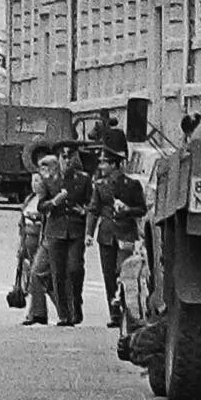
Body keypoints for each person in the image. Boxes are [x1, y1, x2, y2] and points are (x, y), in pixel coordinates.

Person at [88, 139, 148, 329]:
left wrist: (127, 211)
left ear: (115, 164)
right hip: (106, 235)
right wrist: (89, 233)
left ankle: (126, 311)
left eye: (105, 162)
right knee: (108, 275)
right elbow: (94, 209)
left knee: (122, 273)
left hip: (125, 234)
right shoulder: (100, 185)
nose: (101, 166)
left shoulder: (131, 184)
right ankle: (114, 314)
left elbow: (142, 209)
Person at [37, 141, 92, 326]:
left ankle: (76, 303)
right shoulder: (49, 180)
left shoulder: (83, 179)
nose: (67, 160)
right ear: (58, 159)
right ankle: (64, 314)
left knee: (75, 268)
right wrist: (54, 202)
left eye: (70, 156)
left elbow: (91, 205)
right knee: (57, 273)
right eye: (63, 156)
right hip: (55, 231)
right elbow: (41, 206)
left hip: (75, 230)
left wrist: (84, 211)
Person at [20, 155, 60, 325]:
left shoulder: (48, 197)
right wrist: (20, 247)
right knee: (36, 278)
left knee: (40, 278)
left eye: (37, 181)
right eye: (33, 181)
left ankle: (40, 313)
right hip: (28, 242)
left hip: (43, 242)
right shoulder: (29, 199)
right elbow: (22, 224)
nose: (35, 184)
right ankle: (38, 312)